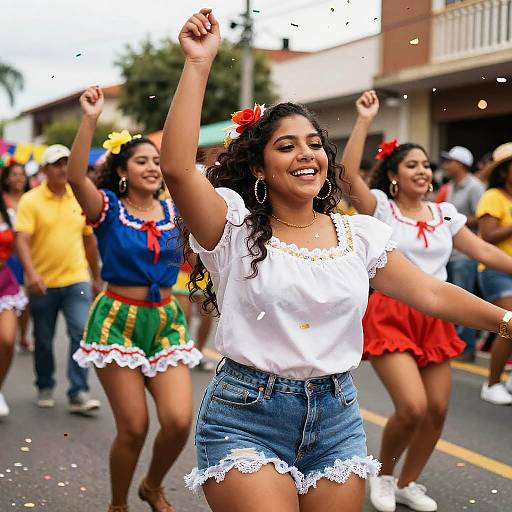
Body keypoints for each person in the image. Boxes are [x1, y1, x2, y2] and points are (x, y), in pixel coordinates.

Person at [159, 10, 512, 512]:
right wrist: (198, 64)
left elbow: (432, 292)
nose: (307, 154)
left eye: (315, 144)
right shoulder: (231, 227)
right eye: (286, 146)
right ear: (259, 167)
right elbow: (177, 168)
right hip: (246, 414)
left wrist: (505, 321)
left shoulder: (359, 236)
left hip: (337, 417)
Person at [341, 91, 512, 512]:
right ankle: (383, 474)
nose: (422, 171)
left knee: (436, 410)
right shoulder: (380, 208)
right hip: (390, 313)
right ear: (394, 176)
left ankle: (408, 481)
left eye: (425, 166)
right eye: (411, 165)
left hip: (436, 316)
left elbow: (487, 254)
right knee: (412, 406)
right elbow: (346, 175)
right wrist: (364, 120)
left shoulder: (444, 216)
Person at [68, 86, 202, 512]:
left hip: (165, 319)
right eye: (142, 161)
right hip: (117, 320)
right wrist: (90, 119)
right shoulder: (106, 206)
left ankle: (152, 484)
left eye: (158, 162)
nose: (153, 168)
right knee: (134, 427)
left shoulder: (174, 211)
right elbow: (74, 178)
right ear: (123, 170)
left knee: (180, 421)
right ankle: (118, 504)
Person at [15, 144, 102, 413]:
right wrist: (31, 274)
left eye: (67, 163)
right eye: (57, 164)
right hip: (43, 283)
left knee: (80, 332)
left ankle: (78, 392)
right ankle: (44, 384)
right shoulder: (30, 200)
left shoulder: (79, 198)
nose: (64, 168)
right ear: (45, 170)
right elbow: (22, 240)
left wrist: (96, 277)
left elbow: (89, 241)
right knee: (43, 338)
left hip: (76, 279)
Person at [437, 147, 485, 361]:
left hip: (466, 254)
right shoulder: (450, 187)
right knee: (451, 302)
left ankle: (467, 348)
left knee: (464, 301)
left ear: (462, 164)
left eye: (451, 161)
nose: (446, 164)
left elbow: (483, 216)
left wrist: (456, 220)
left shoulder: (474, 186)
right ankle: (457, 345)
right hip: (450, 253)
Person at [476, 142, 512, 405]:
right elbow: (487, 235)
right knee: (509, 325)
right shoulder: (492, 197)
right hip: (496, 271)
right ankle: (492, 383)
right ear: (503, 171)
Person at [0, 192, 28, 417]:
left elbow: (19, 246)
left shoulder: (8, 214)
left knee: (8, 340)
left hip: (5, 282)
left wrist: (31, 271)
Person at [1, 162, 33, 352]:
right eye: (14, 174)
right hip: (9, 258)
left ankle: (22, 335)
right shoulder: (2, 201)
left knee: (25, 300)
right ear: (6, 179)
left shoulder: (32, 199)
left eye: (21, 174)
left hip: (28, 255)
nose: (18, 178)